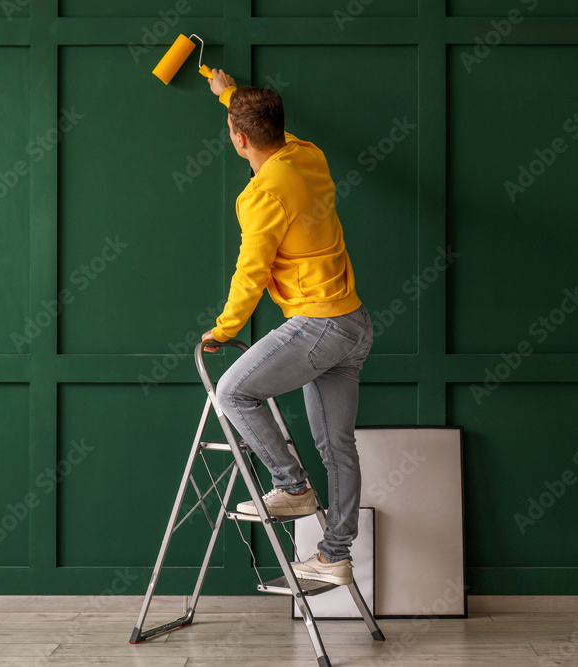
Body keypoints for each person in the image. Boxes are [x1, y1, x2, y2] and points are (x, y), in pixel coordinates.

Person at [199, 69, 373, 587]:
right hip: (355, 324)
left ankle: (289, 484)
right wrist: (229, 95)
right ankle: (335, 554)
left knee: (231, 391)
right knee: (338, 448)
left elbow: (250, 273)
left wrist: (224, 329)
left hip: (318, 326)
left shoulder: (261, 196)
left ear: (239, 138)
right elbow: (274, 134)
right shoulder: (307, 155)